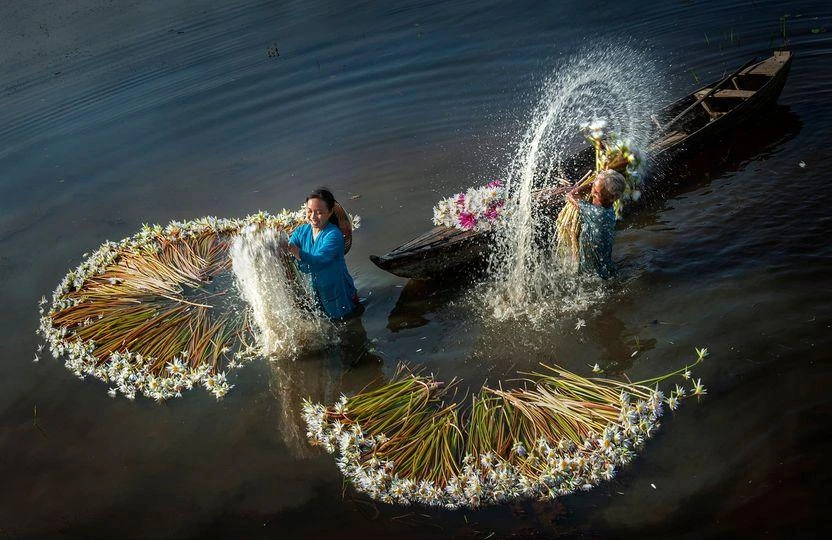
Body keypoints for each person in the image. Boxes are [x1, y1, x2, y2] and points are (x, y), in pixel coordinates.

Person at [287, 189, 359, 319]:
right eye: (309, 211)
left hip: (340, 294)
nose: (313, 217)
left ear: (330, 212)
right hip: (318, 293)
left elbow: (319, 260)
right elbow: (289, 251)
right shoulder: (301, 231)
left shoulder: (334, 235)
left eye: (319, 212)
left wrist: (293, 250)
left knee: (348, 326)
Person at [566, 169, 626, 279]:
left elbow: (572, 195)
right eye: (593, 188)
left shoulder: (597, 214)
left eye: (597, 193)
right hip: (605, 268)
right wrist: (597, 184)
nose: (592, 193)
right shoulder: (609, 208)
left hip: (593, 274)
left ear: (611, 197)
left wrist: (591, 184)